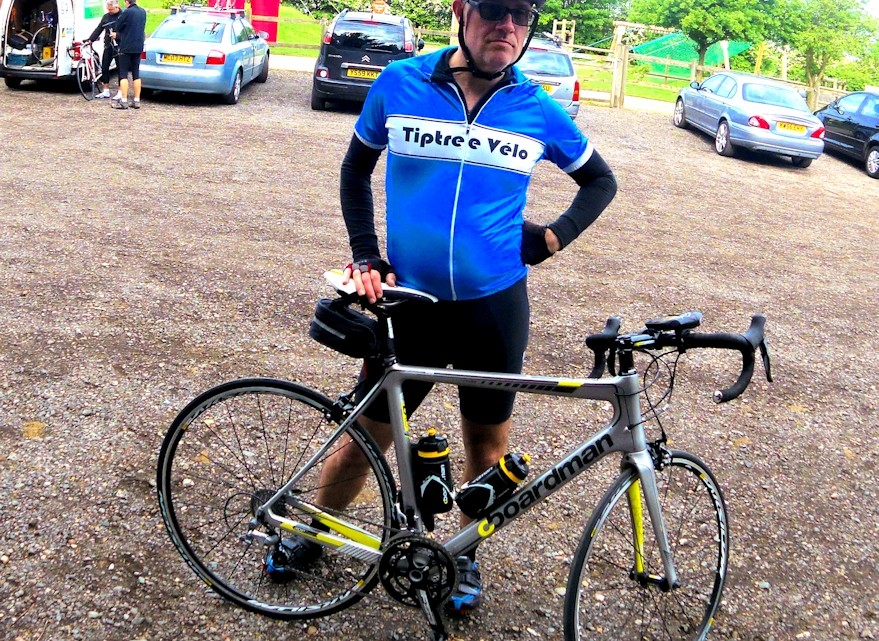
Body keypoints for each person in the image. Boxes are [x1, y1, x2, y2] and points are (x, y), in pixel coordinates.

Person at [294, 0, 617, 614]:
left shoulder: (537, 108)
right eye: (494, 9)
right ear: (462, 11)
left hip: (493, 308)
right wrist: (366, 255)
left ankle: (463, 555)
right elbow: (355, 168)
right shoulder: (401, 82)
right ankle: (311, 529)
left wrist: (554, 237)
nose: (507, 27)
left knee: (487, 448)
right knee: (367, 436)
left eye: (521, 15)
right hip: (411, 304)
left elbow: (600, 181)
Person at [109, 0, 146, 109]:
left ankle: (124, 101)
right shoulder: (143, 12)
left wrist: (118, 33)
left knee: (123, 74)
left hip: (126, 46)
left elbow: (118, 26)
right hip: (138, 46)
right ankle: (137, 100)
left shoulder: (126, 12)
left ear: (127, 2)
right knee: (136, 74)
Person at [83, 0, 122, 99]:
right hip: (108, 45)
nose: (109, 11)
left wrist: (117, 35)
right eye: (108, 9)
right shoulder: (106, 17)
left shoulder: (123, 16)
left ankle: (121, 91)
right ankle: (106, 90)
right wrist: (90, 39)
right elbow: (99, 29)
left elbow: (127, 31)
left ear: (117, 7)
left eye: (111, 9)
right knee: (104, 67)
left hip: (119, 46)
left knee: (121, 69)